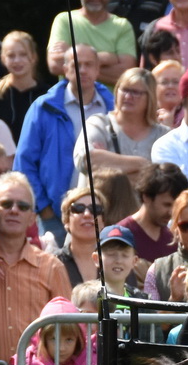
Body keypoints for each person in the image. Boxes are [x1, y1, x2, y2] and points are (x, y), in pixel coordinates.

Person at [15, 43, 115, 240]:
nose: (82, 70)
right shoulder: (43, 108)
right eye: (76, 65)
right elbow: (24, 163)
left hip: (102, 214)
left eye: (88, 65)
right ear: (65, 68)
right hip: (54, 216)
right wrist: (43, 209)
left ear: (97, 70)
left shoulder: (113, 109)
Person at [0, 172, 69, 362]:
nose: (14, 210)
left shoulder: (52, 267)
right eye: (7, 204)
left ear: (32, 218)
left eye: (23, 206)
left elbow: (67, 327)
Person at [48, 0, 136, 83]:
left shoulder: (122, 26)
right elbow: (55, 65)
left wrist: (72, 59)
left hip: (108, 101)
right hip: (70, 101)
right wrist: (106, 58)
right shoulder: (65, 20)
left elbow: (125, 75)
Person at [82, 68, 169, 173]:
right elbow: (87, 160)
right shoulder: (98, 124)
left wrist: (108, 161)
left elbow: (166, 180)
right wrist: (144, 164)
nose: (128, 96)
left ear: (150, 97)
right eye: (124, 90)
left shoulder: (163, 136)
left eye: (136, 92)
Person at [0, 30, 52, 141]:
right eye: (11, 56)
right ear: (3, 59)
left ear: (33, 57)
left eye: (23, 54)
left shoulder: (48, 96)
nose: (17, 61)